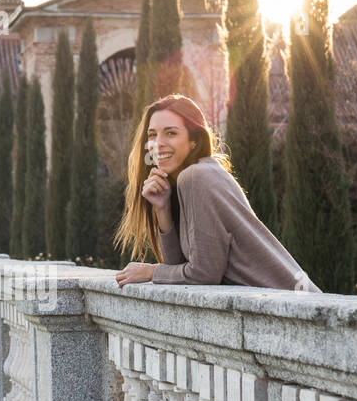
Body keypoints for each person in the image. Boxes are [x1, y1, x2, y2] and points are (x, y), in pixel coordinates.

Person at [113, 93, 319, 292]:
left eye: (171, 133)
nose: (158, 144)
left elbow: (202, 274)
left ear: (194, 141)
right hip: (285, 306)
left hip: (296, 313)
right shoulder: (197, 176)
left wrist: (151, 271)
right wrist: (162, 208)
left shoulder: (197, 176)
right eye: (152, 135)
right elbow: (177, 268)